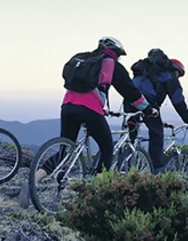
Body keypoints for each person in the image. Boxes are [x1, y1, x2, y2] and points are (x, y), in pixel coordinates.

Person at [36, 36, 158, 181]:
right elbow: (131, 92)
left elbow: (87, 87)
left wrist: (103, 107)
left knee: (65, 149)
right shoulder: (112, 64)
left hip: (68, 105)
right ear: (115, 52)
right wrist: (149, 110)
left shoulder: (85, 59)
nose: (118, 59)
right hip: (90, 109)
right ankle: (97, 188)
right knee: (107, 148)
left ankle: (33, 180)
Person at [126, 48, 188, 173]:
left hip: (130, 97)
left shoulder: (147, 71)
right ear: (176, 70)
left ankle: (124, 162)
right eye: (179, 74)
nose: (178, 77)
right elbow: (178, 101)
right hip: (148, 100)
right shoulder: (169, 76)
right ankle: (156, 167)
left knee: (130, 130)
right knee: (157, 131)